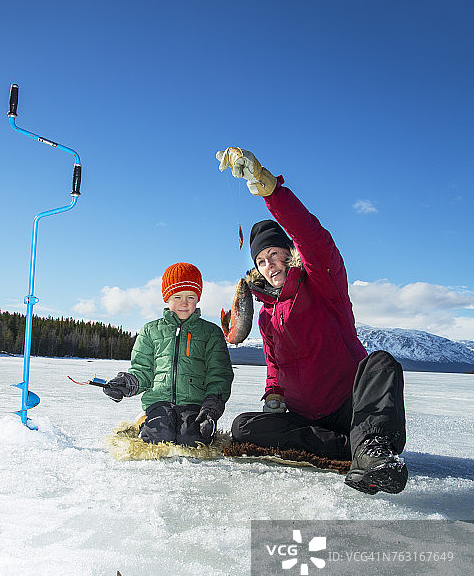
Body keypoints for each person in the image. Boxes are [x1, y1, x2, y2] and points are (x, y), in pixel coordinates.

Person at [216, 146, 408, 495]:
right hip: (305, 417)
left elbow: (312, 236)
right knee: (244, 427)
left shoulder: (322, 282)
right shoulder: (265, 314)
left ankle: (374, 452)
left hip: (350, 405)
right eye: (261, 260)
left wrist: (269, 189)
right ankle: (350, 447)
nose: (269, 264)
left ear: (289, 253)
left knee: (381, 364)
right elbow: (274, 366)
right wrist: (273, 393)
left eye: (275, 253)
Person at [103, 262, 234, 447]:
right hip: (159, 401)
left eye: (191, 296)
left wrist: (211, 408)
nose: (184, 303)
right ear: (167, 298)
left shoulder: (210, 332)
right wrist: (126, 383)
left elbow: (219, 373)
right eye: (177, 296)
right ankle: (144, 422)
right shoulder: (151, 330)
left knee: (191, 439)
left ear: (198, 299)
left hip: (194, 403)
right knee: (159, 436)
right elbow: (142, 369)